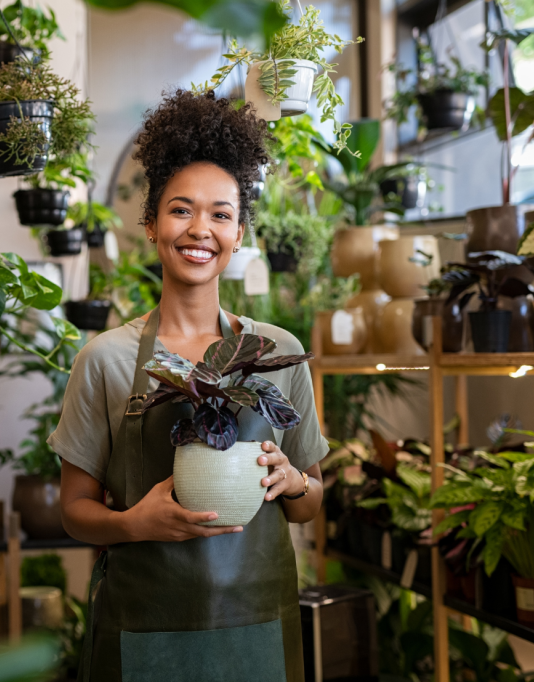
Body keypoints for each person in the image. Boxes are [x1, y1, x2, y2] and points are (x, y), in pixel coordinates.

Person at [48, 91, 328, 682]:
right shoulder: (105, 359)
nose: (201, 229)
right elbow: (73, 511)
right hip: (146, 630)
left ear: (239, 232)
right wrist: (133, 525)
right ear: (151, 224)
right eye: (181, 210)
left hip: (258, 628)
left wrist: (294, 480)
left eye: (221, 214)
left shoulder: (277, 353)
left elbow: (309, 506)